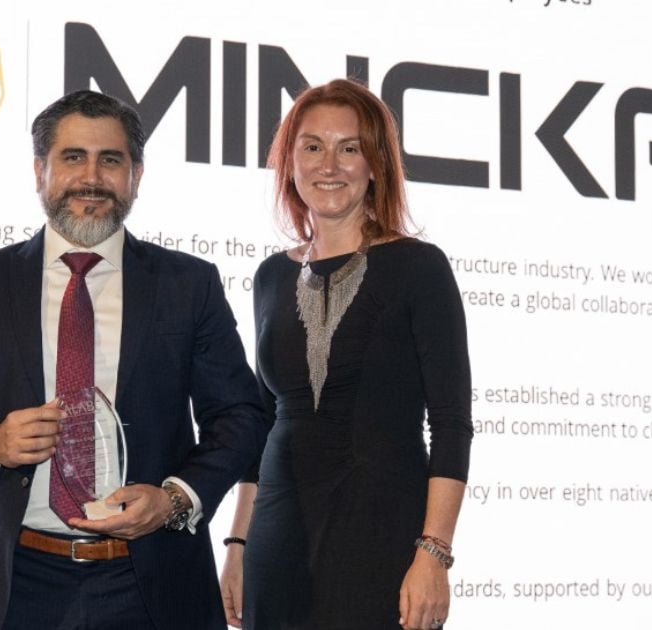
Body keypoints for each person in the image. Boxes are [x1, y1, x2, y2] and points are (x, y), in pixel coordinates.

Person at [0, 89, 270, 630]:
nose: (91, 177)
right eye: (72, 157)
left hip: (153, 582)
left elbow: (240, 416)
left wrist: (174, 499)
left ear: (136, 174)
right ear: (39, 171)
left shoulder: (188, 284)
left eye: (110, 160)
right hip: (17, 581)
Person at [219, 78, 473, 630]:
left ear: (376, 164)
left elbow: (452, 425)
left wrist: (434, 553)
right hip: (278, 538)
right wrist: (238, 544)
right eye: (312, 147)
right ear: (290, 163)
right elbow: (263, 423)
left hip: (383, 537)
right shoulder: (270, 276)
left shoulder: (420, 267)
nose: (328, 165)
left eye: (349, 148)